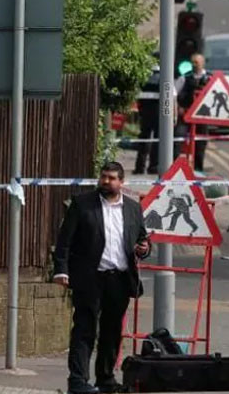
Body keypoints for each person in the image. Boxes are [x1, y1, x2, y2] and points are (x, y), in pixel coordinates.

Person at [52, 161, 151, 394]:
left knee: (112, 331)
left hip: (119, 278)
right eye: (103, 177)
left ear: (121, 182)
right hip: (89, 278)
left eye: (111, 178)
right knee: (84, 329)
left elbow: (143, 239)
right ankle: (78, 381)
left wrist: (144, 249)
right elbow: (65, 241)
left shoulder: (133, 209)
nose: (106, 181)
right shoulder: (82, 204)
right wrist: (61, 269)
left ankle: (105, 379)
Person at [175, 53, 210, 171]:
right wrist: (177, 108)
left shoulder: (210, 78)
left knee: (200, 143)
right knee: (178, 139)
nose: (195, 65)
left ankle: (198, 170)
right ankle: (175, 168)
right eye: (193, 62)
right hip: (185, 114)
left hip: (202, 116)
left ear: (203, 63)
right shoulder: (184, 77)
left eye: (197, 62)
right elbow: (173, 93)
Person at [133, 61, 160, 175]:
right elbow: (172, 94)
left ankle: (140, 168)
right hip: (159, 112)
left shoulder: (143, 75)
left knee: (144, 140)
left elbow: (136, 93)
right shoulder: (164, 75)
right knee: (157, 141)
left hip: (145, 111)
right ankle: (153, 167)